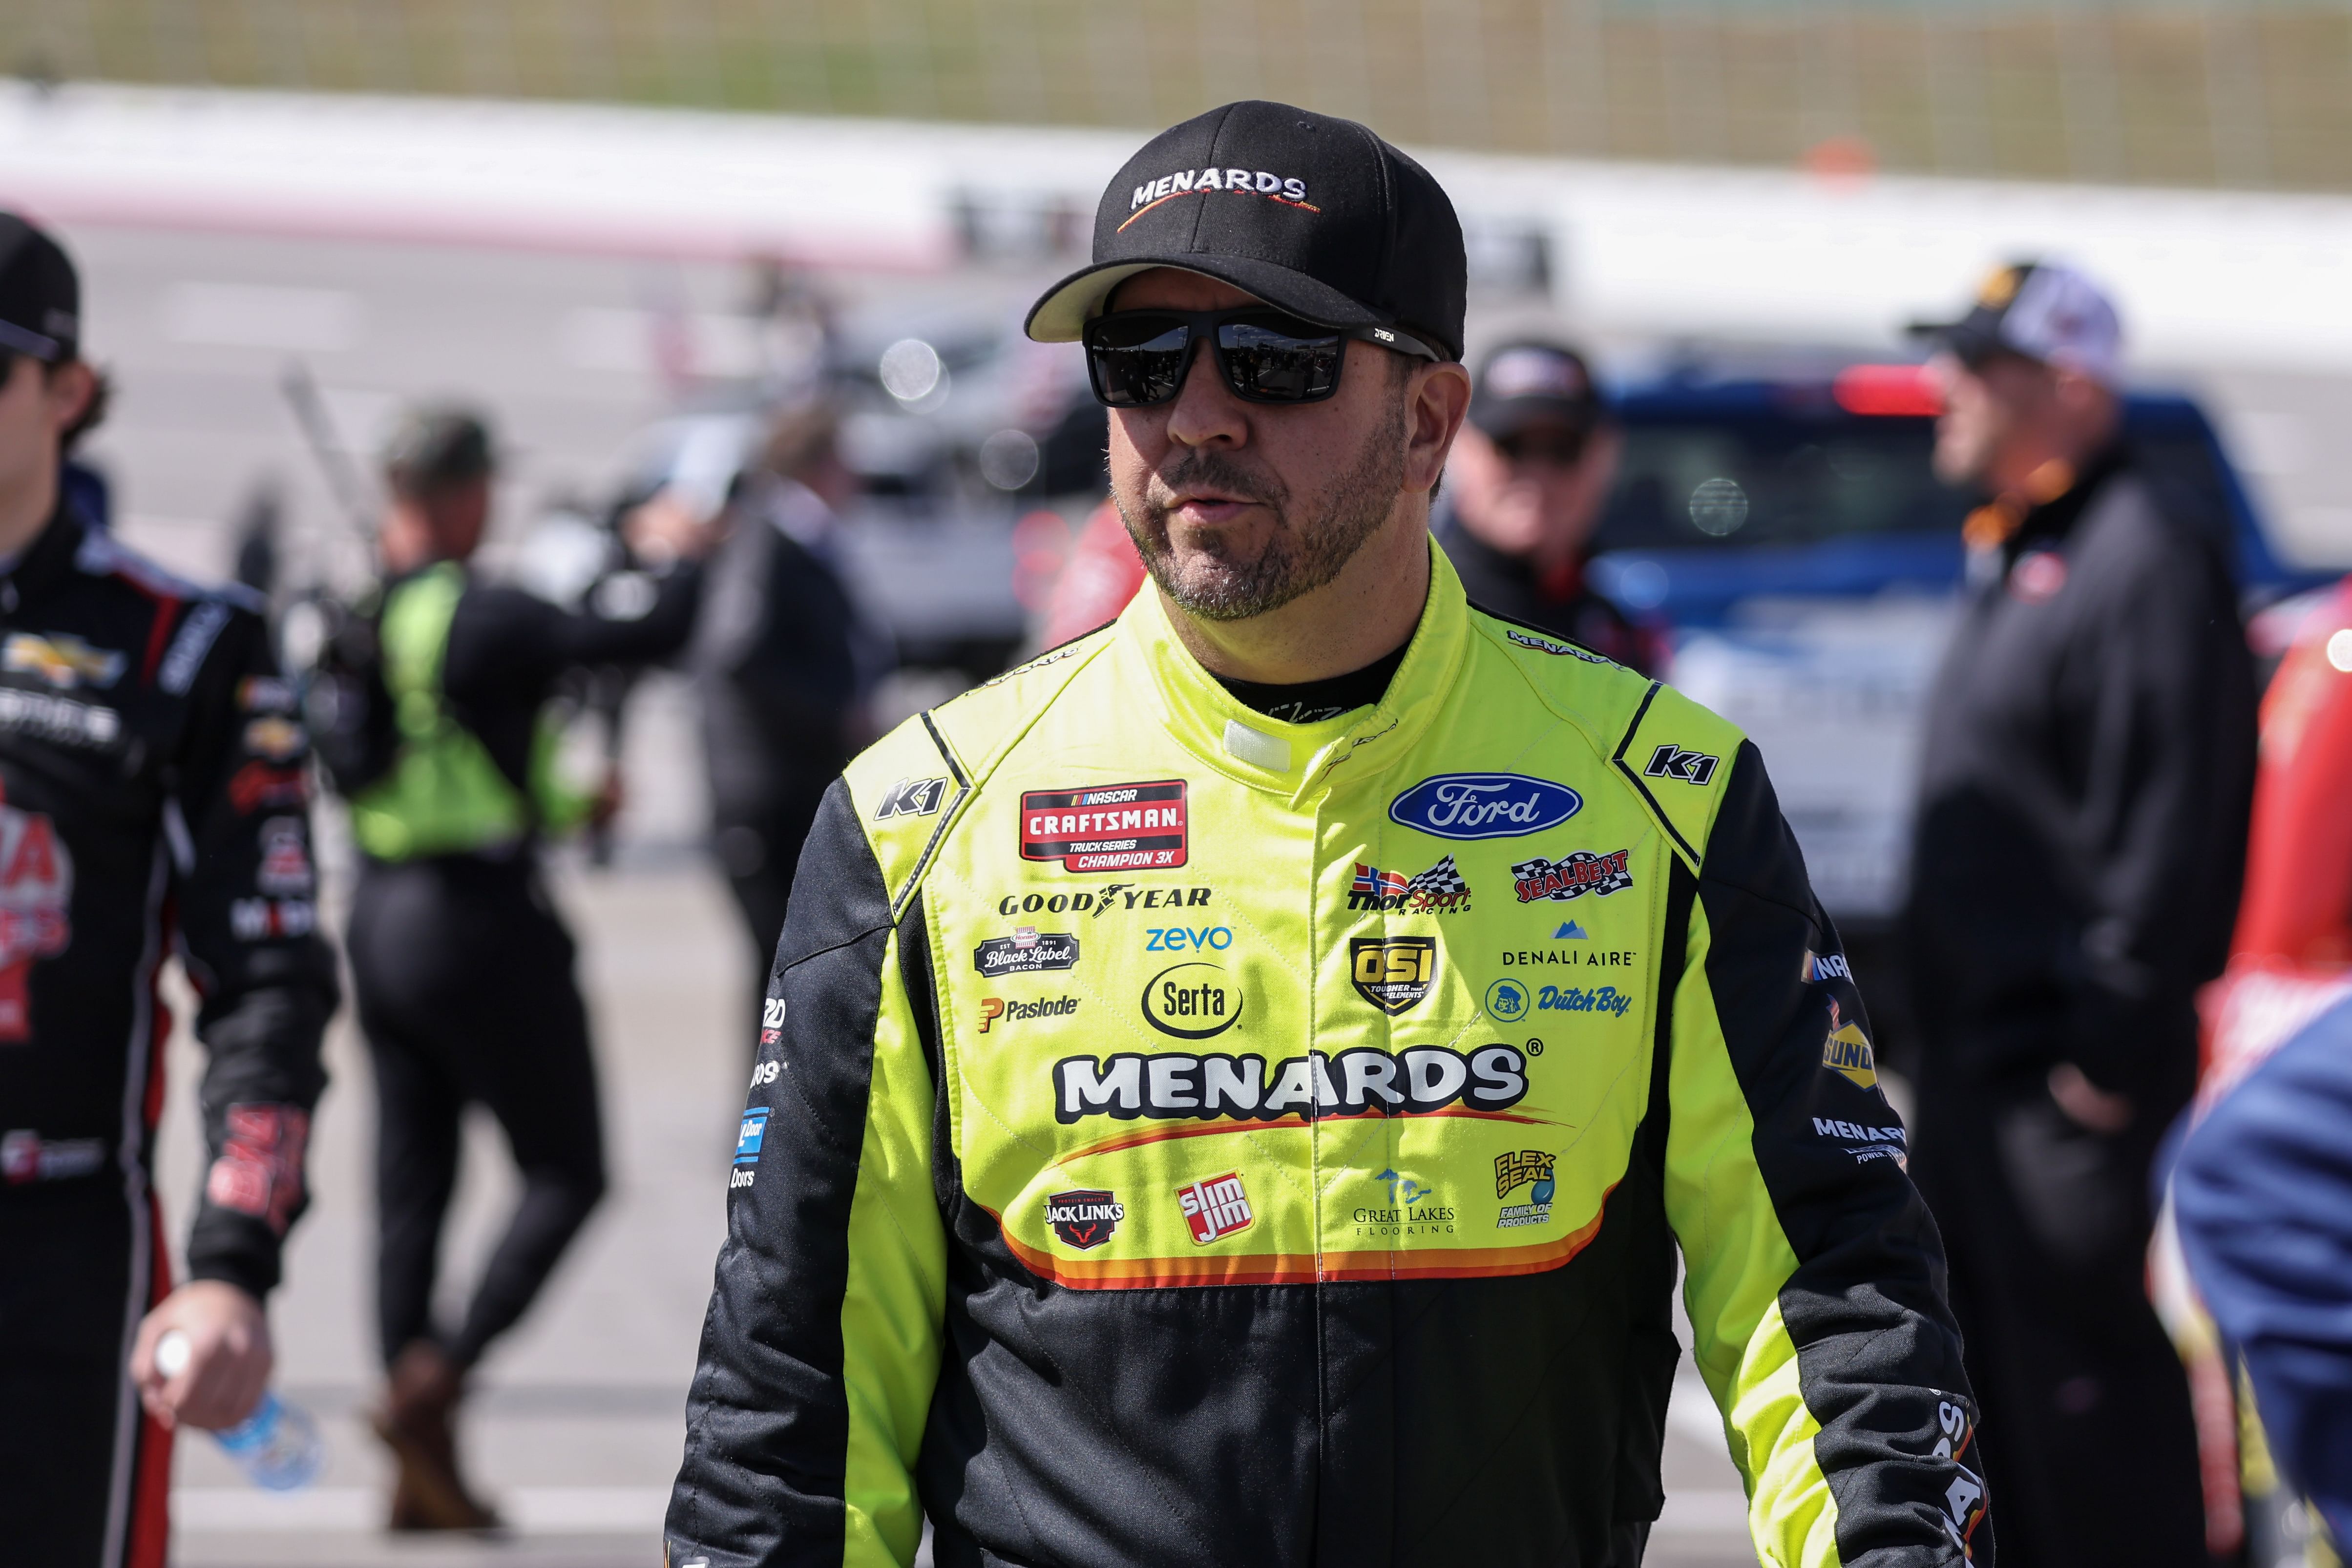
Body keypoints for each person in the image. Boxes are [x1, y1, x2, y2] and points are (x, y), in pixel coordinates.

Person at [668, 101, 1987, 1567]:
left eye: (1277, 358)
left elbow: (1836, 1297)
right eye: (1142, 358)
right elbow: (789, 1396)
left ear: (1430, 418)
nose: (1198, 413)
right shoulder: (922, 820)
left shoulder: (1663, 798)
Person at [1901, 259, 2257, 1568]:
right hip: (1983, 1081)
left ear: (2067, 386)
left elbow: (2172, 826)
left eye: (1980, 369)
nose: (1947, 391)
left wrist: (2103, 1061)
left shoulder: (2140, 553)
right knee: (2001, 1411)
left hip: (2061, 1091)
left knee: (2090, 1415)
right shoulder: (2030, 543)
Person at [0, 212, 336, 1566]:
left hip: (59, 1254)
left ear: (67, 393)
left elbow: (268, 982)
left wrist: (228, 1263)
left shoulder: (189, 647)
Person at [332, 406, 710, 1529]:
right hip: (481, 922)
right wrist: (674, 557)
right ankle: (429, 1385)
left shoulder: (357, 614)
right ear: (454, 494)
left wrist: (558, 801)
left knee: (414, 1187)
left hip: (381, 914)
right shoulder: (485, 611)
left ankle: (419, 1470)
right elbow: (645, 636)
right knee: (568, 1169)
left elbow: (441, 756)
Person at [690, 399, 891, 1004]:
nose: (856, 478)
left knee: (798, 968)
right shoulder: (767, 538)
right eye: (846, 462)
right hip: (767, 796)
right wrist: (836, 712)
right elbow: (738, 653)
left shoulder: (803, 540)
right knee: (784, 970)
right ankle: (766, 1102)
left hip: (791, 789)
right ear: (818, 465)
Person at [1434, 340, 1665, 674]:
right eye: (1511, 446)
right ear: (1461, 448)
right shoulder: (1416, 618)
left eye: (1563, 449)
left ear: (1606, 457)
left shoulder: (1618, 635)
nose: (1538, 473)